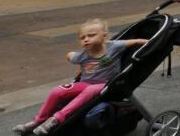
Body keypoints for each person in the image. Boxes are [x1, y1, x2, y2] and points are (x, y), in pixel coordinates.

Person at [13, 19, 148, 134]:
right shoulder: (83, 55)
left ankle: (56, 119)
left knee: (88, 91)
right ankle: (38, 120)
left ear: (104, 36)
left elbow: (134, 41)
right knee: (58, 90)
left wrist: (147, 42)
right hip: (86, 84)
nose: (86, 39)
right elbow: (70, 56)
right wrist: (70, 55)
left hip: (107, 84)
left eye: (91, 35)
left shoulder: (113, 47)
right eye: (82, 38)